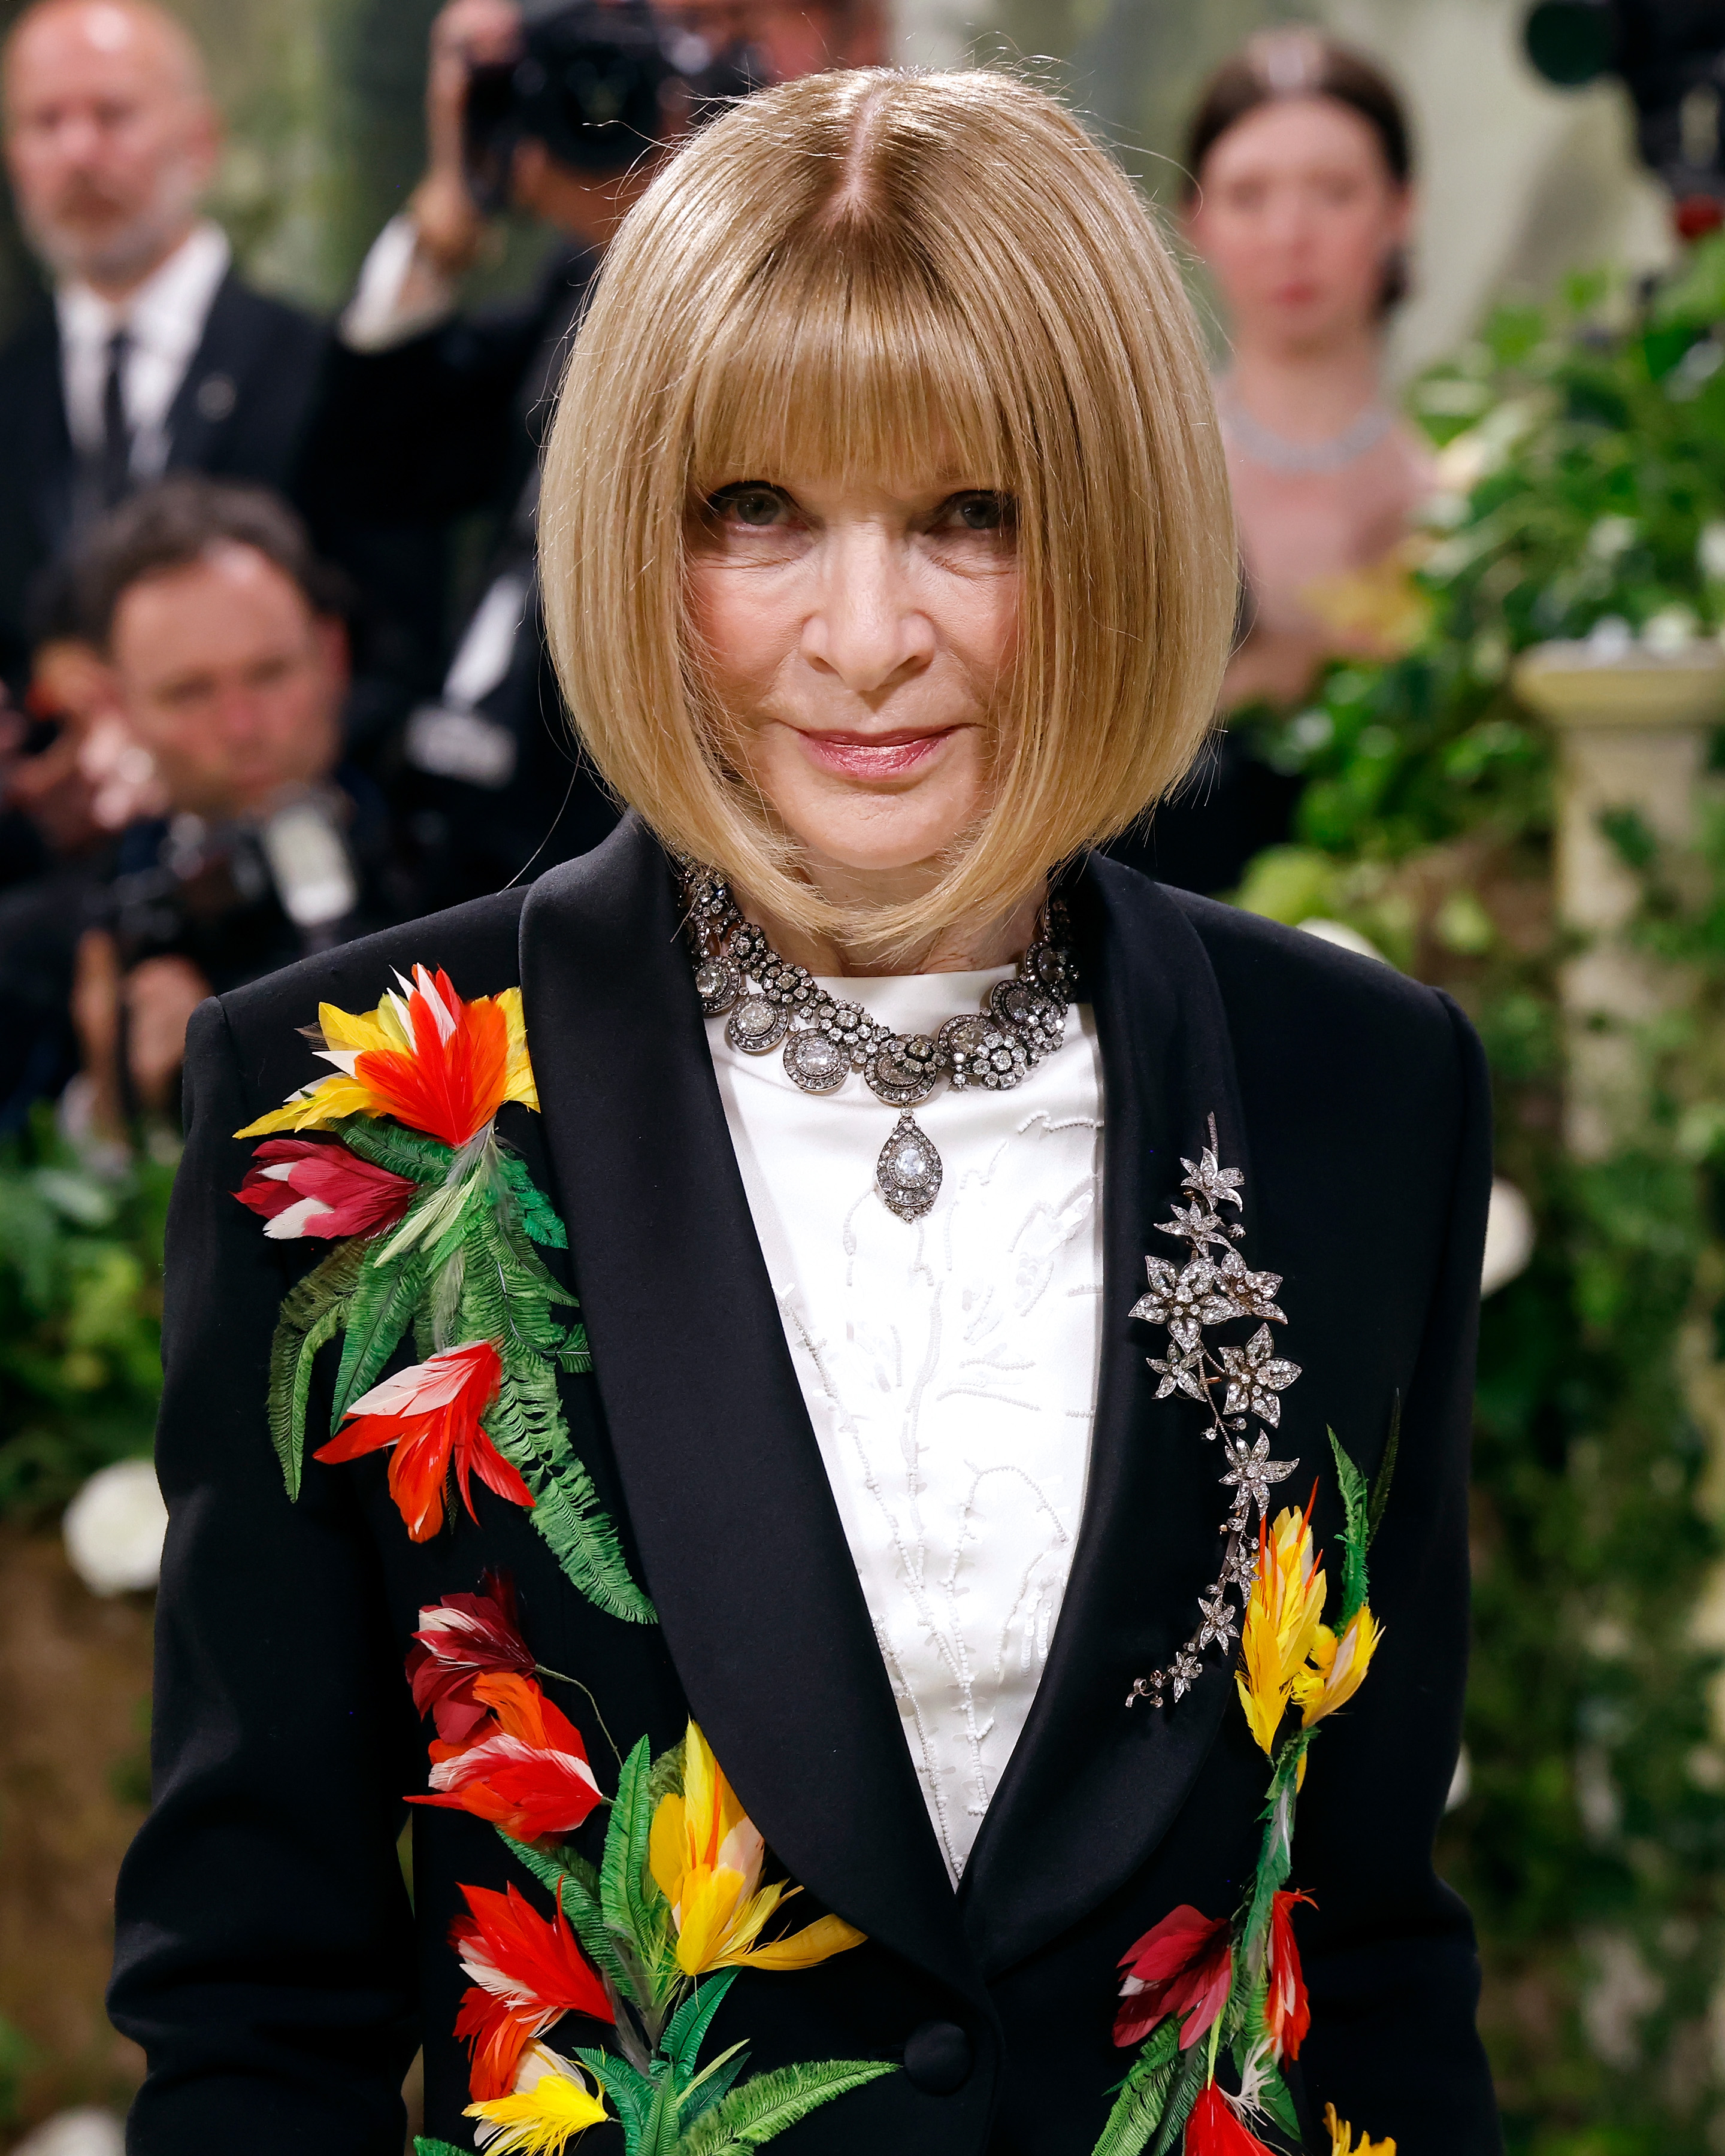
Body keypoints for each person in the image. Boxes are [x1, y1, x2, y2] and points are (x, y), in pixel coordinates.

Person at [110, 68, 1500, 2155]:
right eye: (756, 513)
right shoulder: (346, 1119)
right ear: (632, 535)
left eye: (975, 514)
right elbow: (256, 2013)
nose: (868, 642)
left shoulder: (1361, 1091)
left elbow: (1372, 1952)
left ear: (1114, 523)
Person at [299, 0, 887, 913]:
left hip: (641, 878)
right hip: (460, 849)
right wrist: (452, 210)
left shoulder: (875, 307)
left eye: (727, 22)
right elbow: (371, 472)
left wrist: (665, 231)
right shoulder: (577, 279)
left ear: (860, 43)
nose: (691, 61)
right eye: (660, 24)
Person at [0, 476, 412, 1138]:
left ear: (332, 656)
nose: (242, 726)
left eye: (270, 673)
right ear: (118, 703)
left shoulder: (477, 868)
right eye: (189, 693)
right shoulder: (56, 952)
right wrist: (111, 1105)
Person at [1117, 29, 1432, 896]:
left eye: (1334, 192)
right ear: (1197, 220)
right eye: (1250, 196)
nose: (1291, 235)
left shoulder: (1464, 501)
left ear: (1400, 208)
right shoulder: (1135, 485)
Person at [0, 0, 326, 700]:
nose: (79, 153)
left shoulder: (318, 368)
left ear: (200, 141)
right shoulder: (11, 388)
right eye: (46, 122)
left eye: (113, 115)